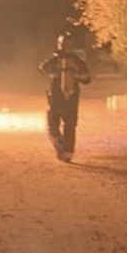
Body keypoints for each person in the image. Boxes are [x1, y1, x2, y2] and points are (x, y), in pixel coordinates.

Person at [39, 32, 92, 162]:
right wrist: (57, 70)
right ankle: (61, 144)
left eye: (65, 44)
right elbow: (43, 68)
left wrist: (74, 75)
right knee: (55, 126)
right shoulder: (55, 59)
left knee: (68, 125)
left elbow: (87, 78)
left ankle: (67, 151)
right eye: (62, 44)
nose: (63, 47)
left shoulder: (77, 61)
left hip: (70, 98)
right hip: (57, 98)